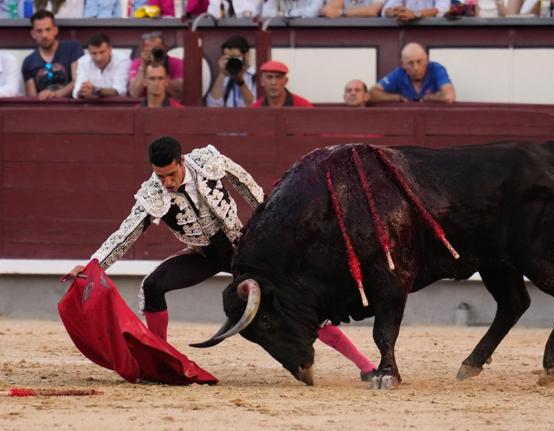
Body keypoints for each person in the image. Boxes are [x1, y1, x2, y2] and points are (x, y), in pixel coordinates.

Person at [64, 136, 375, 380]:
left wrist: (269, 223)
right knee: (154, 286)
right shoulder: (152, 194)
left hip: (241, 248)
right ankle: (163, 361)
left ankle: (365, 364)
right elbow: (127, 232)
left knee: (291, 303)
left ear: (181, 160)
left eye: (171, 175)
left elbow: (244, 181)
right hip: (202, 254)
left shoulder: (206, 161)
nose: (167, 183)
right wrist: (94, 265)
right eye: (161, 177)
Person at [22, 10, 84, 100]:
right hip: (44, 110)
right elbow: (33, 99)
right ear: (33, 34)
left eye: (48, 29)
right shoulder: (29, 62)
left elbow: (78, 81)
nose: (44, 35)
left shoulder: (73, 48)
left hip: (72, 108)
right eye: (39, 31)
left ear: (55, 30)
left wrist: (55, 95)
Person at [369, 42, 455, 104]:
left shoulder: (436, 69)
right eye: (411, 63)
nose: (416, 67)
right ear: (403, 64)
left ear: (427, 60)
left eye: (419, 61)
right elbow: (372, 93)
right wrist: (398, 98)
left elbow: (449, 96)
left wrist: (426, 98)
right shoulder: (399, 73)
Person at [73, 33, 130, 99]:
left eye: (102, 52)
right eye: (94, 53)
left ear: (110, 50)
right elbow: (76, 91)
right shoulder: (83, 62)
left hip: (116, 106)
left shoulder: (122, 60)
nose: (98, 58)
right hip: (90, 105)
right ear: (88, 52)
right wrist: (83, 91)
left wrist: (96, 90)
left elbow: (121, 90)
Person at [128, 31, 183, 100]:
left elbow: (179, 93)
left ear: (165, 48)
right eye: (149, 50)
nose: (153, 53)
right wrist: (143, 66)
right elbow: (134, 93)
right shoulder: (137, 63)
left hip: (170, 105)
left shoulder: (176, 63)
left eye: (156, 49)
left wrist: (159, 66)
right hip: (144, 105)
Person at [206, 35, 255, 108]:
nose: (233, 61)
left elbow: (254, 105)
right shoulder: (225, 79)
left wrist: (240, 82)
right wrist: (222, 73)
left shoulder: (255, 78)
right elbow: (212, 105)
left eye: (236, 57)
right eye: (229, 58)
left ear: (247, 56)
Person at [381, 0, 450, 20]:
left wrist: (415, 14)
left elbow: (442, 8)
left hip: (433, 32)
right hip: (406, 29)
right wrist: (395, 12)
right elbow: (387, 9)